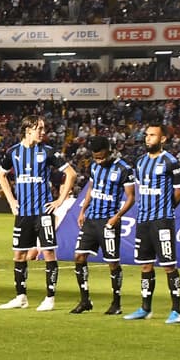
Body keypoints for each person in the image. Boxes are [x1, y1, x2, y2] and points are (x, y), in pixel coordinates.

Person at [0, 116, 77, 311]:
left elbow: (71, 174)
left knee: (48, 252)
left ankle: (50, 298)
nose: (43, 132)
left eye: (43, 128)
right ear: (28, 130)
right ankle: (21, 297)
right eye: (39, 128)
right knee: (19, 255)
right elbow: (1, 175)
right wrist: (11, 200)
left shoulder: (48, 152)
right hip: (23, 213)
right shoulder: (13, 152)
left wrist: (59, 200)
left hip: (43, 212)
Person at [125, 119, 180, 323]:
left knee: (169, 265)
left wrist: (167, 208)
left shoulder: (171, 161)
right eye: (147, 135)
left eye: (152, 135)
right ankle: (145, 308)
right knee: (145, 265)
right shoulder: (140, 162)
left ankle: (176, 310)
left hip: (162, 221)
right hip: (143, 221)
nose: (148, 138)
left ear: (163, 138)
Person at [68, 134, 132, 314]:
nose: (99, 160)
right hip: (91, 219)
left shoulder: (124, 169)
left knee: (112, 262)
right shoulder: (94, 167)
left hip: (108, 221)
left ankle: (116, 303)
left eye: (102, 157)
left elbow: (131, 198)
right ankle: (85, 300)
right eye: (96, 157)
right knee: (79, 257)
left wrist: (117, 216)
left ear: (109, 151)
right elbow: (91, 188)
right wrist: (82, 210)